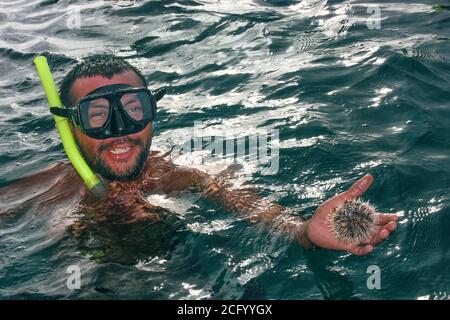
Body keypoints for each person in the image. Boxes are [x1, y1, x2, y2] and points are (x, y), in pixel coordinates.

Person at [0, 54, 398, 256]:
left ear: (152, 113)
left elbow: (268, 217)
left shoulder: (190, 175)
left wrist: (305, 233)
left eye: (134, 110)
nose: (120, 130)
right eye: (98, 116)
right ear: (71, 126)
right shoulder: (46, 191)